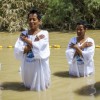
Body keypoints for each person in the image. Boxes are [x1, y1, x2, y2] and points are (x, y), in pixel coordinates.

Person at [14, 8, 50, 91]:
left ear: (39, 21)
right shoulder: (24, 33)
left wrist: (26, 41)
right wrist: (34, 43)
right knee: (27, 87)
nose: (31, 21)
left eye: (34, 19)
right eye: (30, 19)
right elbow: (18, 49)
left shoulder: (44, 33)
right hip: (27, 65)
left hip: (39, 68)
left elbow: (41, 48)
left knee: (41, 89)